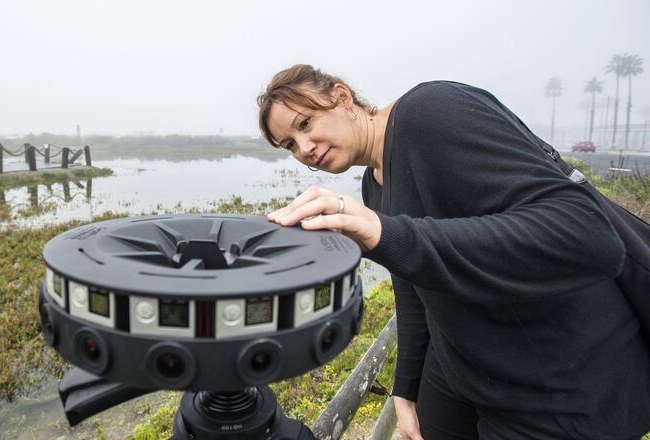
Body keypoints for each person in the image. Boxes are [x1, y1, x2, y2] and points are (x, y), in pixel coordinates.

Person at [258, 64, 650, 440]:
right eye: (289, 144)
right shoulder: (373, 183)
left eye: (305, 123)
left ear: (341, 96)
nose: (305, 148)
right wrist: (406, 384)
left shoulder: (429, 112)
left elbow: (585, 233)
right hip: (466, 369)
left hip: (559, 384)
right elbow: (411, 287)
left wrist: (387, 232)